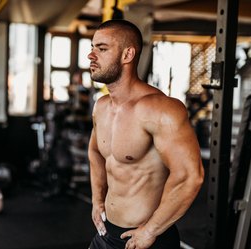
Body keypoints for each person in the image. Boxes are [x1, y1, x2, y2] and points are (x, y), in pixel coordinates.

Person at [87, 19, 204, 249]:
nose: (91, 56)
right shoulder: (101, 107)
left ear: (127, 54)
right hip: (105, 234)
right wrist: (97, 199)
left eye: (101, 49)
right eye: (92, 48)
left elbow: (191, 175)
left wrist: (151, 230)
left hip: (146, 238)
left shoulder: (161, 109)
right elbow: (95, 152)